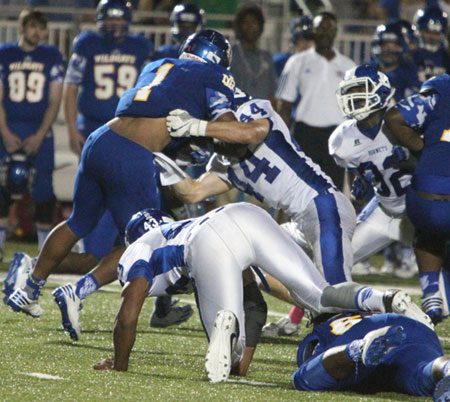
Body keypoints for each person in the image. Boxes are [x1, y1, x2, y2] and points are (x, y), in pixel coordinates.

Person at [5, 29, 238, 319]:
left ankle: (29, 288)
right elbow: (225, 124)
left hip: (101, 137)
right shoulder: (214, 76)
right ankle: (78, 292)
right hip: (132, 153)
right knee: (143, 242)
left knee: (79, 221)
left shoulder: (159, 65)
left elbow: (158, 114)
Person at [165, 93, 434, 335]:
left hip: (323, 205)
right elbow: (192, 192)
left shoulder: (253, 110)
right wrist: (159, 159)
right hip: (302, 221)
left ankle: (389, 305)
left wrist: (198, 126)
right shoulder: (225, 164)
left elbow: (249, 133)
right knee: (251, 260)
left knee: (336, 290)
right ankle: (317, 308)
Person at [93, 202, 431, 382]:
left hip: (209, 243)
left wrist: (121, 365)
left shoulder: (135, 252)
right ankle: (384, 298)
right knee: (320, 294)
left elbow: (128, 317)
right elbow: (258, 297)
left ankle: (226, 321)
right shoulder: (175, 229)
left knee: (229, 346)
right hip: (244, 214)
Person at [384, 73, 450, 325]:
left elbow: (394, 117)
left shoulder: (441, 89)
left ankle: (431, 290)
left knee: (430, 230)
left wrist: (425, 150)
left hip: (422, 200)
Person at [0, 9, 65, 259]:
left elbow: (54, 99)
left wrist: (41, 133)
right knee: (4, 185)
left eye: (41, 27)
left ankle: (43, 251)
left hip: (39, 130)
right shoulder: (6, 53)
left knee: (44, 192)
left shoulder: (51, 55)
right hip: (10, 125)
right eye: (32, 27)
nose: (37, 32)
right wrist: (5, 131)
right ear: (22, 27)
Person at [276, 11, 355, 190]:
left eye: (329, 29)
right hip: (305, 134)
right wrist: (281, 139)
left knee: (332, 190)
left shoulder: (349, 66)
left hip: (336, 136)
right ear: (313, 31)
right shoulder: (297, 62)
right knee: (298, 188)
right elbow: (285, 105)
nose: (325, 33)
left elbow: (354, 109)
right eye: (320, 28)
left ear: (336, 32)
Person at [293, 311, 450, 400]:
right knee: (426, 371)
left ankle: (358, 349)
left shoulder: (325, 328)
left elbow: (310, 350)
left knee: (303, 379)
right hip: (414, 329)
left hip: (361, 333)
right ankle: (447, 369)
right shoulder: (365, 309)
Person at [230, 3, 278, 104]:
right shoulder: (230, 55)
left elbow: (272, 94)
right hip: (237, 116)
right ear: (239, 26)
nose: (250, 27)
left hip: (262, 117)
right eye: (246, 22)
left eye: (254, 22)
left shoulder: (266, 57)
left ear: (261, 26)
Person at [412, 7, 450, 84]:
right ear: (419, 31)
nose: (432, 37)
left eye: (436, 34)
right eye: (428, 32)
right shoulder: (411, 55)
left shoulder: (446, 57)